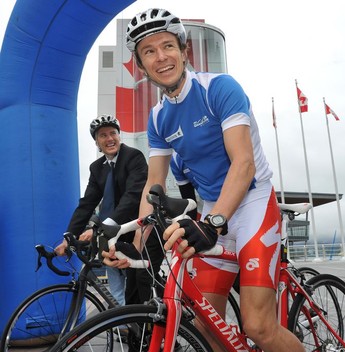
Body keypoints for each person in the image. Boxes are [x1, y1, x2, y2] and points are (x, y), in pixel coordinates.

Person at [102, 8, 305, 352]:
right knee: (206, 324)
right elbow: (153, 184)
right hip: (215, 211)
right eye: (149, 51)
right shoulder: (158, 118)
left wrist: (212, 222)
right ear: (140, 64)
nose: (160, 57)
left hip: (252, 203)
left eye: (167, 46)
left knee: (257, 326)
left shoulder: (219, 88)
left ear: (184, 51)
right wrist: (133, 244)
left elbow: (243, 164)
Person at [55, 114, 149, 306]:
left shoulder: (133, 156)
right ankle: (123, 328)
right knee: (115, 287)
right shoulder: (96, 168)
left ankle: (144, 330)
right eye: (103, 135)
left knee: (137, 288)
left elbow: (132, 197)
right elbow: (87, 204)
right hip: (109, 236)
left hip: (135, 231)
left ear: (119, 136)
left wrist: (104, 226)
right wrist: (69, 236)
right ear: (97, 143)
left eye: (113, 133)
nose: (109, 139)